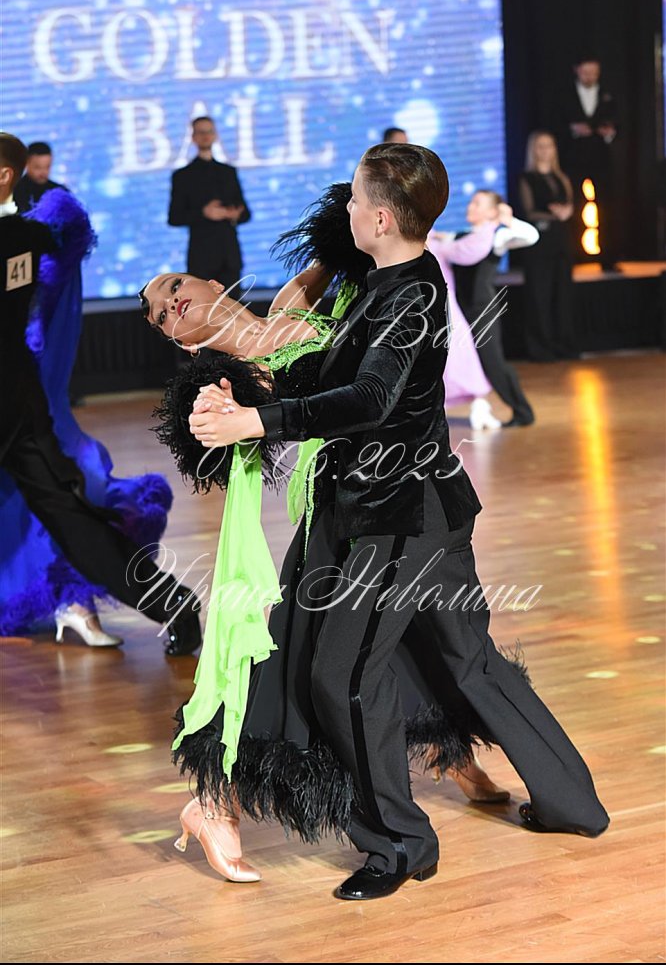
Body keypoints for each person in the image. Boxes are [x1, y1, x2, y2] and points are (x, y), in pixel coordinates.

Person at [188, 144, 609, 900]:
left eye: (354, 200)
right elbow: (337, 371)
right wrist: (252, 394)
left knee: (341, 675)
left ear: (381, 218)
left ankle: (401, 846)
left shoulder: (407, 296)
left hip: (398, 518)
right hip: (428, 509)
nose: (344, 210)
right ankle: (573, 802)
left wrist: (256, 421)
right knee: (471, 662)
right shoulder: (390, 284)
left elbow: (369, 399)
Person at [143, 183, 514, 882]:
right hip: (331, 519)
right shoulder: (222, 382)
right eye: (161, 315)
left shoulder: (294, 302)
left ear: (213, 283)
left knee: (402, 637)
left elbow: (355, 245)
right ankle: (215, 802)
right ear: (176, 339)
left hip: (385, 498)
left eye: (174, 287)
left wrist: (373, 205)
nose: (170, 305)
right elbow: (232, 446)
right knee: (290, 657)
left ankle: (447, 752)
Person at [0, 132, 200, 657]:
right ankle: (173, 604)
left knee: (70, 519)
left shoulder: (20, 236)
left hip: (15, 403)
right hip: (20, 400)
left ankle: (172, 605)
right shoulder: (29, 237)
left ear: (4, 175)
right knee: (69, 518)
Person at [453, 190, 538, 427]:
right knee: (466, 362)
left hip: (483, 309)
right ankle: (481, 410)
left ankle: (523, 412)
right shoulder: (462, 236)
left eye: (477, 203)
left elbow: (531, 236)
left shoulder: (497, 237)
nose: (470, 207)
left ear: (492, 212)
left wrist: (509, 220)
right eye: (471, 202)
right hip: (460, 310)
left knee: (493, 364)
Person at [427, 221, 502, 429]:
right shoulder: (431, 245)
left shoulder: (437, 244)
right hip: (427, 308)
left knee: (458, 356)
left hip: (443, 308)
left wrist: (489, 227)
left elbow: (469, 250)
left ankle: (479, 406)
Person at [168, 116, 251, 300]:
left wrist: (234, 214)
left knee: (233, 308)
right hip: (202, 257)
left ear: (215, 135)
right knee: (203, 308)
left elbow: (245, 213)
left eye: (209, 131)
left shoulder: (228, 172)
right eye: (201, 132)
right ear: (193, 137)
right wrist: (204, 213)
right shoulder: (183, 176)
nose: (206, 136)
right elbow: (174, 217)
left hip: (229, 254)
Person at [518, 131, 577, 361]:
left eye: (549, 145)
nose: (545, 150)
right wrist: (554, 215)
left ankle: (564, 344)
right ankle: (541, 347)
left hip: (561, 241)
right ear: (533, 150)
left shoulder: (561, 177)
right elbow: (528, 211)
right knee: (539, 295)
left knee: (562, 294)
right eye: (541, 146)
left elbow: (570, 203)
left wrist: (566, 211)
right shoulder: (527, 178)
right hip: (538, 243)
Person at [556, 55, 619, 270]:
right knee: (573, 205)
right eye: (586, 72)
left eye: (594, 73)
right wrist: (573, 130)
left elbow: (619, 122)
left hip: (601, 161)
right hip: (573, 160)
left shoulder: (609, 93)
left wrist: (609, 132)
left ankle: (608, 258)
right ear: (577, 70)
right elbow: (555, 123)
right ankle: (573, 256)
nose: (590, 77)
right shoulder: (564, 95)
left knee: (606, 208)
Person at [13, 141, 66, 213]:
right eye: (38, 167)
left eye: (47, 167)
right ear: (26, 163)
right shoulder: (12, 193)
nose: (43, 172)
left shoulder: (61, 192)